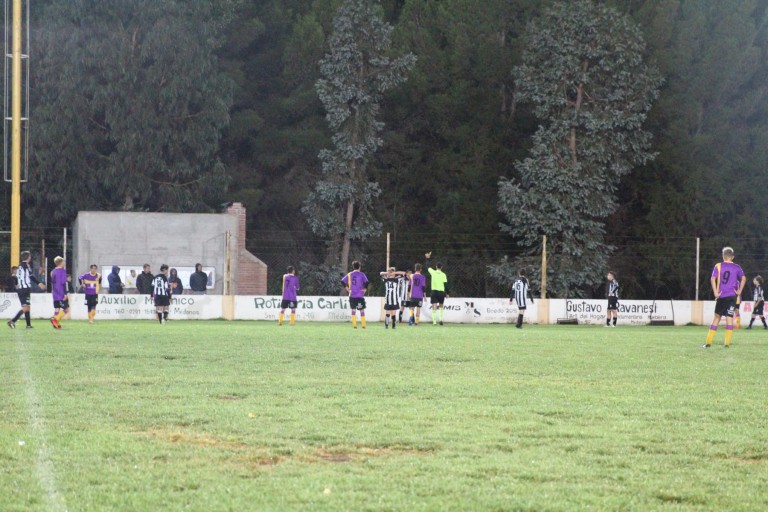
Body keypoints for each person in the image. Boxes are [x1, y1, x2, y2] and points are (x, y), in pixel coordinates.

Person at [703, 247, 746, 348]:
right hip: (732, 296)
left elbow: (712, 279)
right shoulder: (737, 267)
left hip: (722, 295)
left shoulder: (718, 266)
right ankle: (726, 344)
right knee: (729, 318)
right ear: (732, 257)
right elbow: (743, 278)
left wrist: (715, 292)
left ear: (723, 256)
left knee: (717, 317)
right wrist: (739, 291)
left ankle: (708, 343)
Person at [7, 251, 45, 329]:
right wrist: (39, 283)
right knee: (25, 308)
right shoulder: (26, 265)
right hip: (25, 288)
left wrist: (16, 284)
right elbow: (31, 276)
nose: (30, 257)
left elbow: (16, 277)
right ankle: (12, 321)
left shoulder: (19, 266)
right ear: (28, 257)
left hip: (21, 289)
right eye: (30, 256)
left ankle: (28, 325)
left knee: (27, 306)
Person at [341, 261, 369, 329]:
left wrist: (347, 288)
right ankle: (363, 325)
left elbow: (342, 281)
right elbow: (367, 282)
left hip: (352, 295)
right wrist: (365, 289)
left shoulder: (349, 274)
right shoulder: (362, 274)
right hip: (359, 296)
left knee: (353, 310)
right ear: (359, 267)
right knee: (361, 309)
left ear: (353, 267)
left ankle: (354, 325)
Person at [425, 252, 448, 325]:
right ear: (441, 267)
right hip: (441, 292)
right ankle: (441, 319)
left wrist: (427, 258)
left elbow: (427, 266)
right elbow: (446, 285)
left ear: (436, 267)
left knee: (434, 306)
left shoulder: (433, 272)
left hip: (434, 291)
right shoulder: (443, 274)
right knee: (441, 305)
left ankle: (434, 321)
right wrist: (447, 293)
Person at [50, 256, 70, 329]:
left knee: (57, 308)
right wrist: (65, 293)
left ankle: (56, 324)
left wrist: (53, 291)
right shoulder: (62, 271)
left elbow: (52, 282)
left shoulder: (53, 271)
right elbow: (64, 283)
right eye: (63, 262)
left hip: (55, 293)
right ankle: (55, 319)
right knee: (66, 309)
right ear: (61, 262)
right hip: (61, 293)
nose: (64, 263)